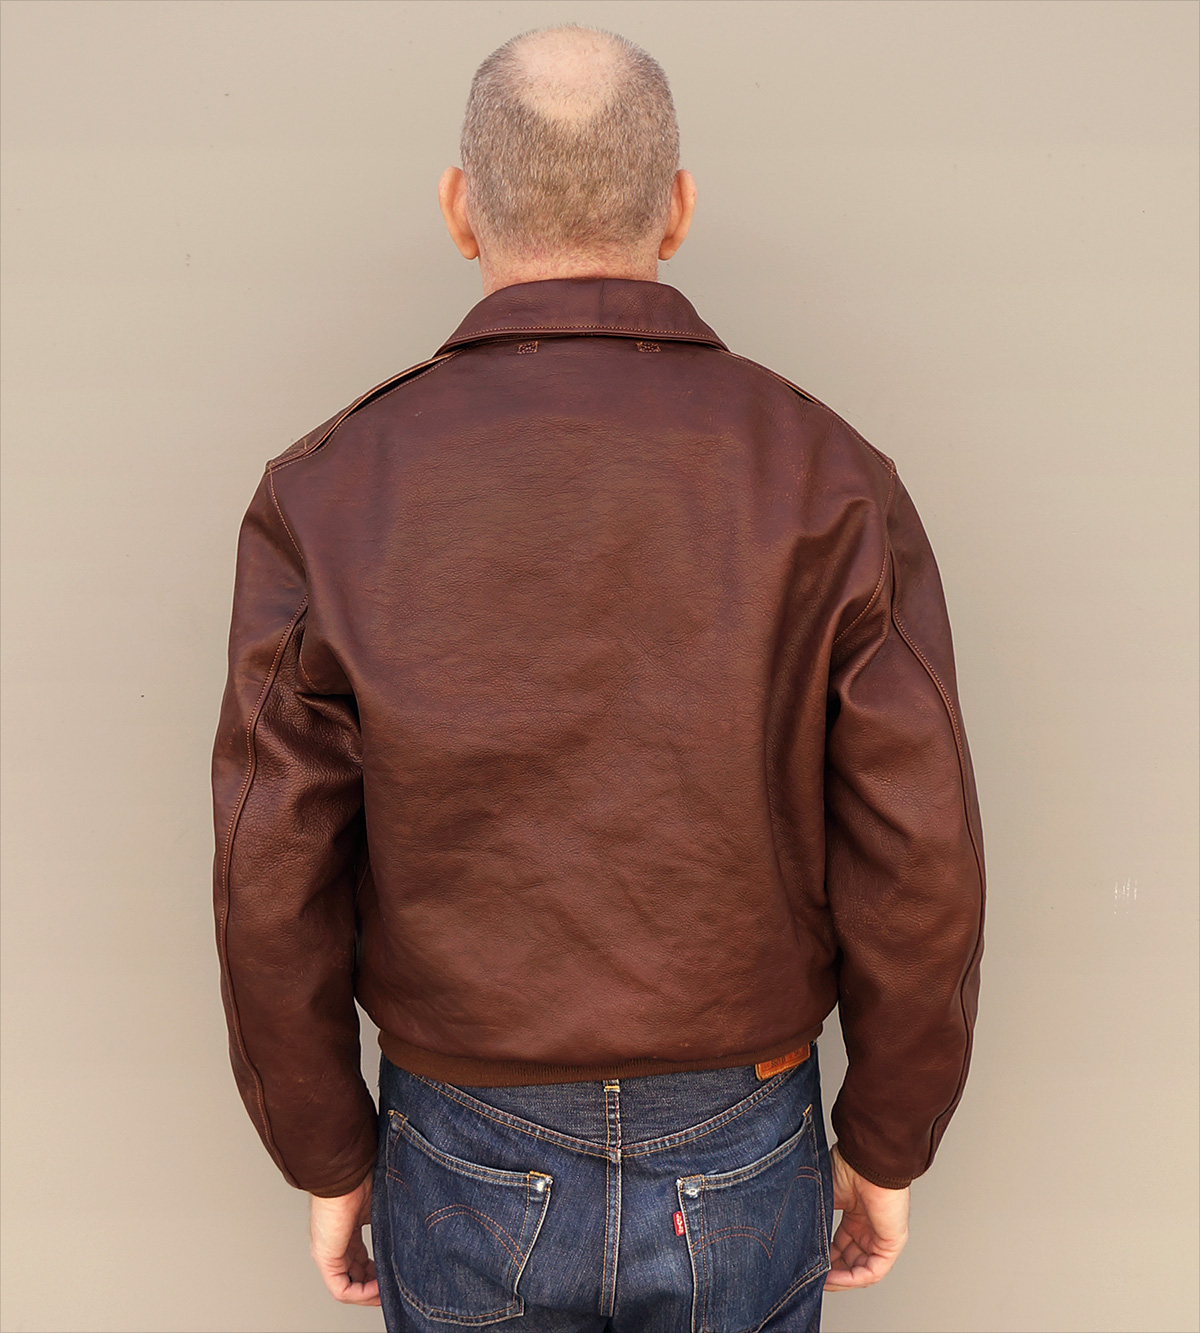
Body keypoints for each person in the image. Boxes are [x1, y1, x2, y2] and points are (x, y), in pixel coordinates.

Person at [211, 23, 985, 1333]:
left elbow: (267, 868)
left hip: (461, 1126)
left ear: (460, 209)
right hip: (744, 1124)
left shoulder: (329, 492)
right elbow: (922, 848)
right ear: (676, 209)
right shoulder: (832, 478)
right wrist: (889, 1138)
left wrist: (327, 1152)